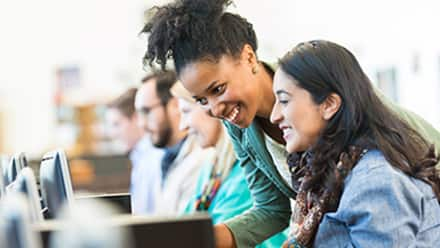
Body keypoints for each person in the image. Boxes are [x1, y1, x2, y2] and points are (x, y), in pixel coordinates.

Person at [140, 0, 440, 246]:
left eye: (218, 89)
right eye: (202, 100)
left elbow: (405, 158)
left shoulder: (319, 84)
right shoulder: (240, 125)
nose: (215, 109)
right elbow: (273, 209)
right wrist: (204, 239)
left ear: (248, 57)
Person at [270, 40, 440, 247]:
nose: (274, 116)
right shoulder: (337, 172)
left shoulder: (374, 182)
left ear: (329, 104)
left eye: (284, 101)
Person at [171, 81, 287, 247]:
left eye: (186, 112)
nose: (183, 125)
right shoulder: (211, 169)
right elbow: (185, 226)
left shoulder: (245, 173)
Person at [135, 71, 204, 214]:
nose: (141, 124)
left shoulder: (201, 157)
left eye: (146, 111)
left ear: (174, 105)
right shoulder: (162, 158)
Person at [106, 88, 164, 214]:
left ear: (136, 118)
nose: (112, 134)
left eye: (116, 124)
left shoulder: (154, 157)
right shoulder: (139, 157)